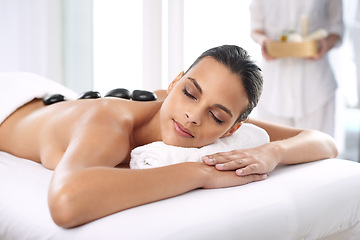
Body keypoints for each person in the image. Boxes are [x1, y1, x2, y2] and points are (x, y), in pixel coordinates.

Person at [0, 45, 337, 228]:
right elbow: (66, 203)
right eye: (190, 93)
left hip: (56, 100)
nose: (193, 115)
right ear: (175, 82)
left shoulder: (213, 119)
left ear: (233, 128)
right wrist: (201, 173)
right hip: (10, 101)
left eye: (216, 115)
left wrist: (272, 152)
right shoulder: (110, 124)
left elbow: (323, 141)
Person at [249, 0, 344, 136]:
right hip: (273, 89)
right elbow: (256, 27)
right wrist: (263, 41)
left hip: (316, 87)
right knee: (273, 147)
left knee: (319, 150)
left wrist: (326, 44)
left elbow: (337, 28)